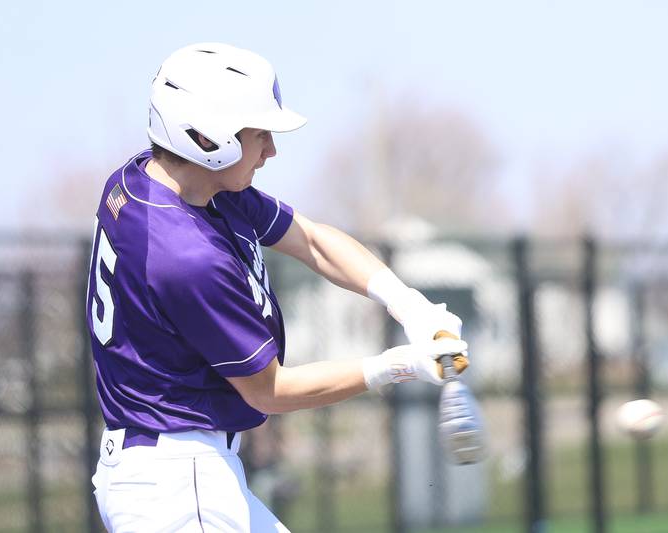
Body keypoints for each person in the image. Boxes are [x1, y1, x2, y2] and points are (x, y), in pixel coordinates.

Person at [86, 42, 468, 533]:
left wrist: (410, 306)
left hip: (175, 470)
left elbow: (311, 241)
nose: (270, 149)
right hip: (178, 485)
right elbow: (271, 391)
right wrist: (398, 366)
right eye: (258, 133)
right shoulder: (184, 254)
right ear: (206, 138)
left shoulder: (162, 179)